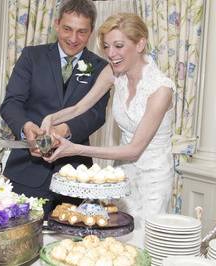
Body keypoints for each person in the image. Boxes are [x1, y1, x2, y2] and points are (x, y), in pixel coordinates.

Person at [41, 13, 175, 247]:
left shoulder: (161, 89)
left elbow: (134, 150)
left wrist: (74, 149)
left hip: (153, 178)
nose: (111, 54)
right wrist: (51, 118)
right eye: (106, 46)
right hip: (121, 175)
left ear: (140, 43)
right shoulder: (113, 72)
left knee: (145, 243)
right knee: (116, 239)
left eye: (119, 46)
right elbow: (80, 107)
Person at [0, 0, 111, 217]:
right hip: (27, 170)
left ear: (91, 32)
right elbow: (11, 103)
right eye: (67, 29)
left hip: (75, 177)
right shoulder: (32, 56)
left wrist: (64, 129)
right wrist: (26, 127)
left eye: (81, 32)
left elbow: (96, 114)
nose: (73, 38)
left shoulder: (100, 67)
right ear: (57, 24)